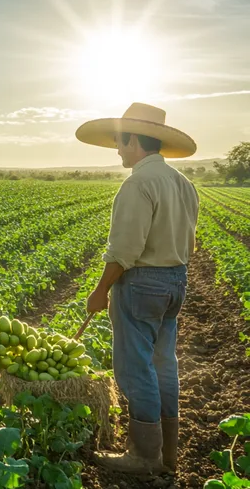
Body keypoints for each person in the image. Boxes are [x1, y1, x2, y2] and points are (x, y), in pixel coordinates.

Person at [75, 102, 200, 475]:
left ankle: (144, 457)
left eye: (119, 141)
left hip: (142, 284)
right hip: (176, 280)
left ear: (134, 141)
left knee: (135, 368)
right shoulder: (184, 183)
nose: (117, 149)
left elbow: (124, 251)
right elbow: (191, 245)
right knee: (164, 364)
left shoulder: (138, 184)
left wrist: (100, 291)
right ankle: (168, 453)